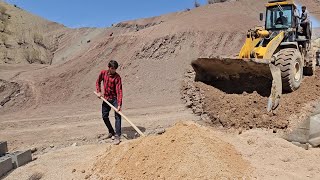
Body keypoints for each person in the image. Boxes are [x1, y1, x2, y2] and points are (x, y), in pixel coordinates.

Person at [96, 60, 123, 145]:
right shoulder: (103, 73)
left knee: (118, 116)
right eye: (112, 68)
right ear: (109, 67)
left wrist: (119, 104)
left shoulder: (117, 77)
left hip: (114, 98)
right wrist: (99, 92)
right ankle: (111, 132)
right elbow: (98, 82)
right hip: (106, 98)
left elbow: (119, 91)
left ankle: (117, 136)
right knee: (104, 116)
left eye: (115, 69)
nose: (114, 70)